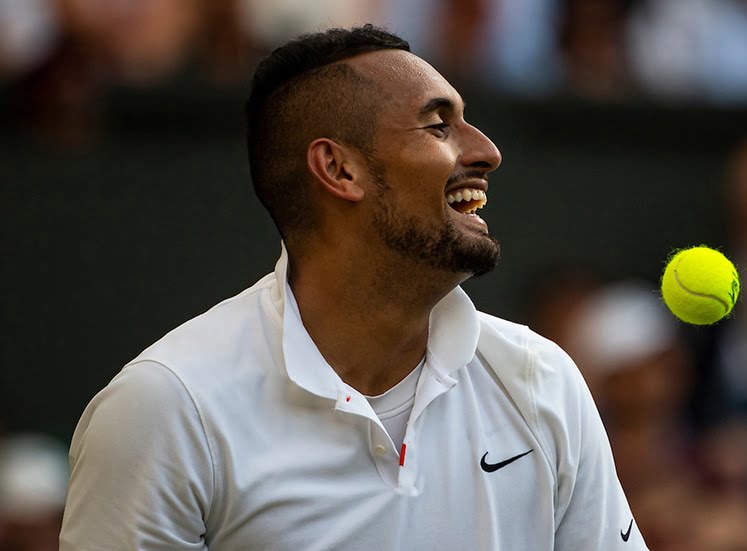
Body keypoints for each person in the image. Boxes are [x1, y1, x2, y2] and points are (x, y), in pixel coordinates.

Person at [59, 25, 646, 550]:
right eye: (439, 124)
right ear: (339, 169)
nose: (486, 151)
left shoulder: (542, 382)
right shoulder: (164, 410)